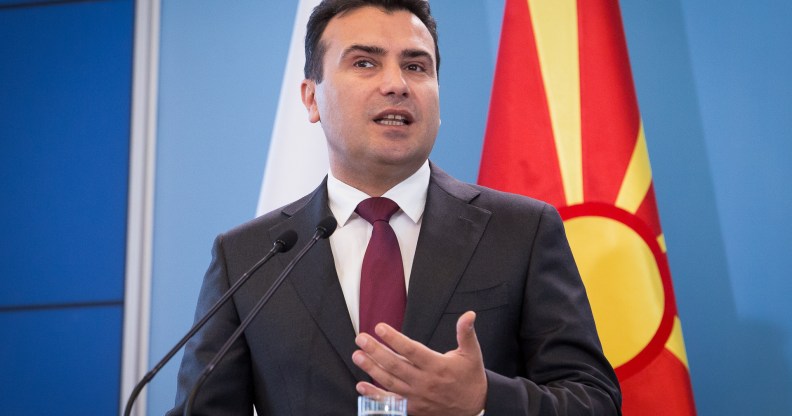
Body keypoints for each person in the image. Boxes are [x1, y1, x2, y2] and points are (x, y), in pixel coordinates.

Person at [169, 0, 621, 415]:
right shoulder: (249, 255)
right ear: (311, 98)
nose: (396, 84)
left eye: (416, 66)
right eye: (365, 62)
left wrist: (483, 399)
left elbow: (594, 401)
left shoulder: (522, 232)